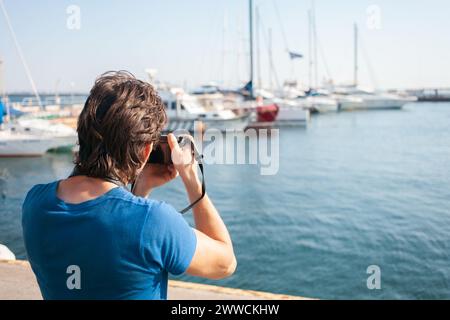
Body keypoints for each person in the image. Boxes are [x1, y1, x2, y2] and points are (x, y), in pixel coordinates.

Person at [22, 71, 236, 300]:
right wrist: (192, 180)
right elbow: (224, 263)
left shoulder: (35, 203)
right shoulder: (155, 221)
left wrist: (140, 190)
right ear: (146, 151)